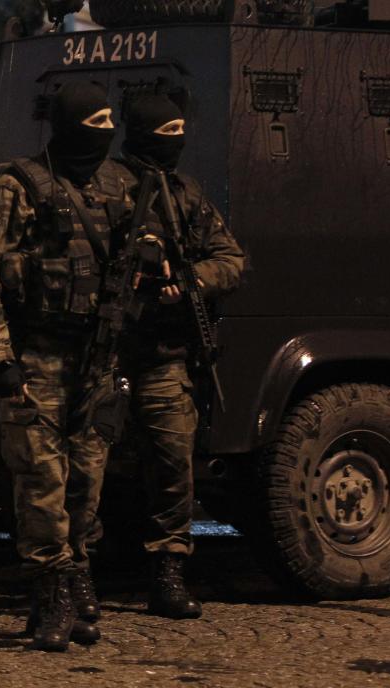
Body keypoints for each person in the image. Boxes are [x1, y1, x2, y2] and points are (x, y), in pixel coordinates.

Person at [0, 81, 129, 651]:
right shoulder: (16, 187)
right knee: (41, 486)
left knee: (87, 484)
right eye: (94, 122)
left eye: (111, 123)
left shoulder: (121, 187)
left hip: (95, 363)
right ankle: (48, 599)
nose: (104, 134)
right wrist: (1, 361)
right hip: (35, 358)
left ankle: (79, 579)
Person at [114, 92, 245, 619]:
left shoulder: (184, 193)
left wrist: (190, 278)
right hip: (107, 351)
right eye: (166, 130)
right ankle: (75, 573)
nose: (177, 139)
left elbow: (231, 259)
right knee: (88, 467)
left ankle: (167, 570)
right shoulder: (109, 188)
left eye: (179, 129)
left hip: (165, 352)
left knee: (172, 465)